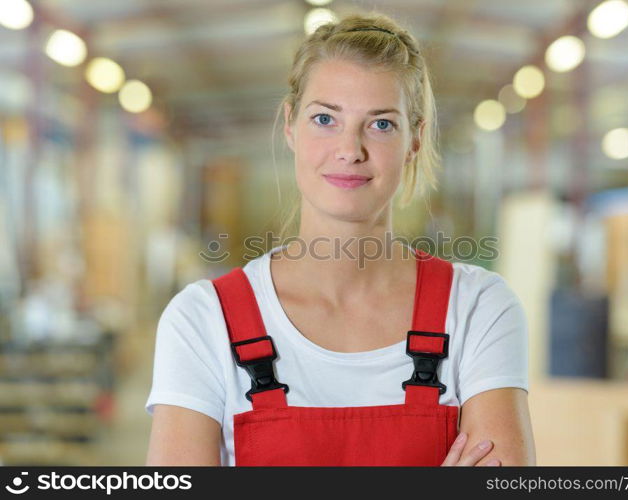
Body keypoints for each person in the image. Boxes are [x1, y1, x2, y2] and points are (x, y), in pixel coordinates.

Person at [145, 12, 535, 466]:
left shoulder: (477, 309)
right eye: (325, 118)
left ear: (415, 139)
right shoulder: (202, 321)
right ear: (290, 125)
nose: (350, 149)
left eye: (382, 124)